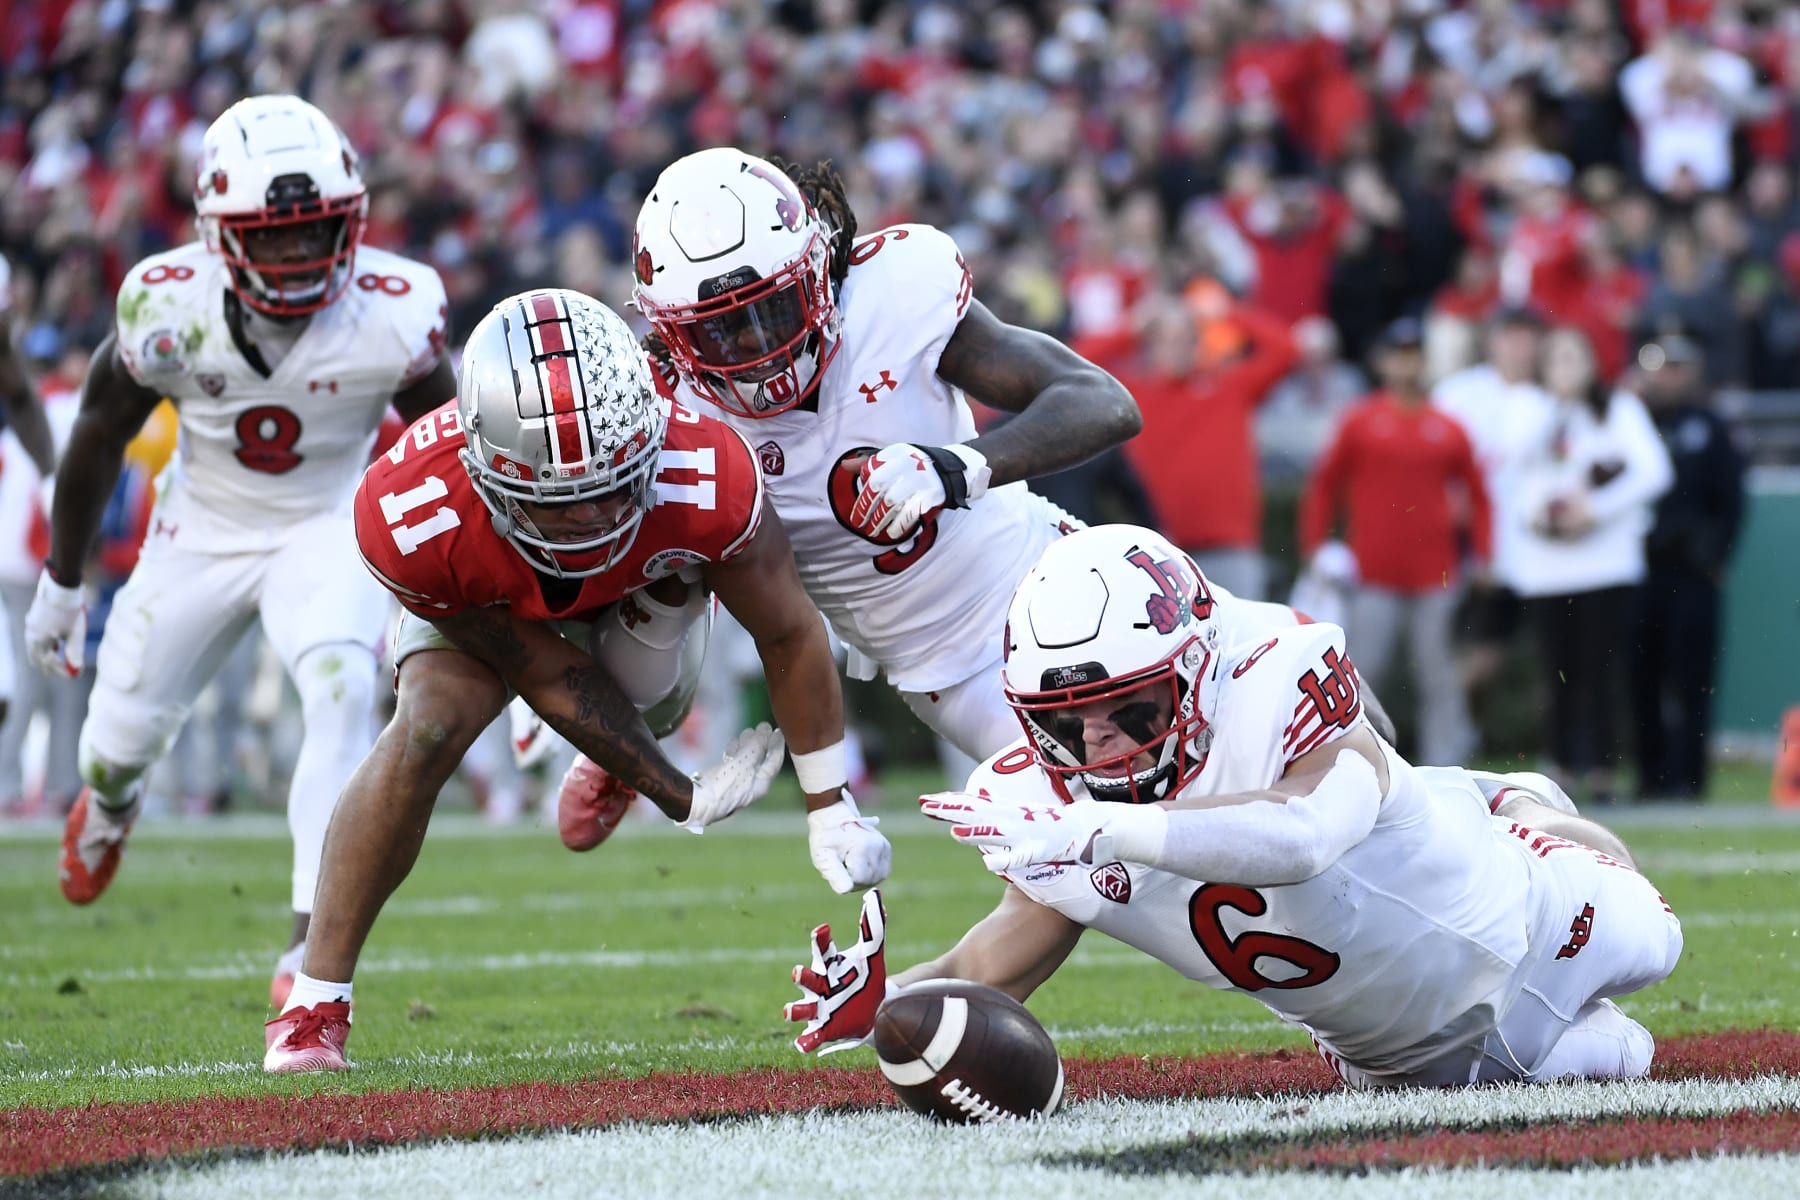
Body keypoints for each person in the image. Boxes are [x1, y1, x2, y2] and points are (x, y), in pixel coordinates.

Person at [785, 525, 1682, 1089]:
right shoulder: (1042, 797)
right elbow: (1002, 955)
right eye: (1064, 725)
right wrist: (887, 1001)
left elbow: (1308, 835)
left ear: (1196, 670)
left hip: (1531, 906)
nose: (1100, 748)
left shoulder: (1274, 673)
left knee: (1657, 935)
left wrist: (1112, 827)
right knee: (1621, 1066)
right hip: (1403, 1056)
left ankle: (1515, 802)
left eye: (1130, 709)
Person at [263, 288, 889, 1073]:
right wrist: (675, 791)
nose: (595, 517)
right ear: (487, 471)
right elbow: (540, 669)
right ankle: (314, 1001)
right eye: (565, 503)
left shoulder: (703, 471)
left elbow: (789, 630)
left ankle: (611, 743)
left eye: (612, 485)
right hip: (496, 597)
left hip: (639, 596)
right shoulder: (413, 510)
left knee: (651, 660)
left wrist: (831, 805)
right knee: (427, 727)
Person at [20, 96, 458, 1009]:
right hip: (201, 530)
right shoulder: (163, 303)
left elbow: (451, 448)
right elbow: (98, 437)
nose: (299, 258)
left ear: (354, 220)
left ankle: (309, 946)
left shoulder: (396, 307)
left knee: (342, 687)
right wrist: (62, 587)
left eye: (316, 233)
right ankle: (108, 802)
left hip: (327, 523)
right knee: (117, 740)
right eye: (275, 238)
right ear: (219, 233)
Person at [630, 148, 1140, 767]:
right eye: (721, 328)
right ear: (672, 333)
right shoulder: (672, 414)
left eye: (773, 308)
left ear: (816, 269)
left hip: (1057, 567)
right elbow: (653, 587)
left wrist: (958, 467)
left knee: (1269, 688)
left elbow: (1105, 403)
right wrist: (609, 755)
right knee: (1111, 816)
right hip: (955, 669)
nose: (756, 346)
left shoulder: (891, 294)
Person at [1299, 317, 1489, 766]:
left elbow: (1479, 494)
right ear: (1384, 362)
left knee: (1440, 677)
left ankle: (1448, 769)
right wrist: (1315, 547)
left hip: (1435, 574)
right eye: (1398, 355)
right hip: (1373, 573)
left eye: (1414, 355)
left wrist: (1482, 555)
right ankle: (1359, 763)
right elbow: (1325, 485)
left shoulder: (1447, 426)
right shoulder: (1361, 421)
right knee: (1363, 673)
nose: (1406, 364)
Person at [1505, 326, 1672, 806]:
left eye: (1576, 358)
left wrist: (1594, 509)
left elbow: (1655, 471)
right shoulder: (1528, 407)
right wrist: (1539, 515)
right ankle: (1557, 769)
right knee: (1555, 672)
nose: (1566, 369)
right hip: (1546, 567)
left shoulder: (1618, 409)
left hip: (1605, 564)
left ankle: (1601, 770)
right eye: (1556, 359)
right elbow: (1513, 466)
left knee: (1598, 672)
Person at [1630, 332, 1746, 801]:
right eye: (1660, 366)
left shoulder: (1710, 425)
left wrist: (1716, 557)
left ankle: (1690, 779)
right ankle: (1649, 776)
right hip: (1639, 570)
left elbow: (1733, 500)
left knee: (1692, 676)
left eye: (1677, 366)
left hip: (1693, 573)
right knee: (1640, 674)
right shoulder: (1630, 420)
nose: (1668, 376)